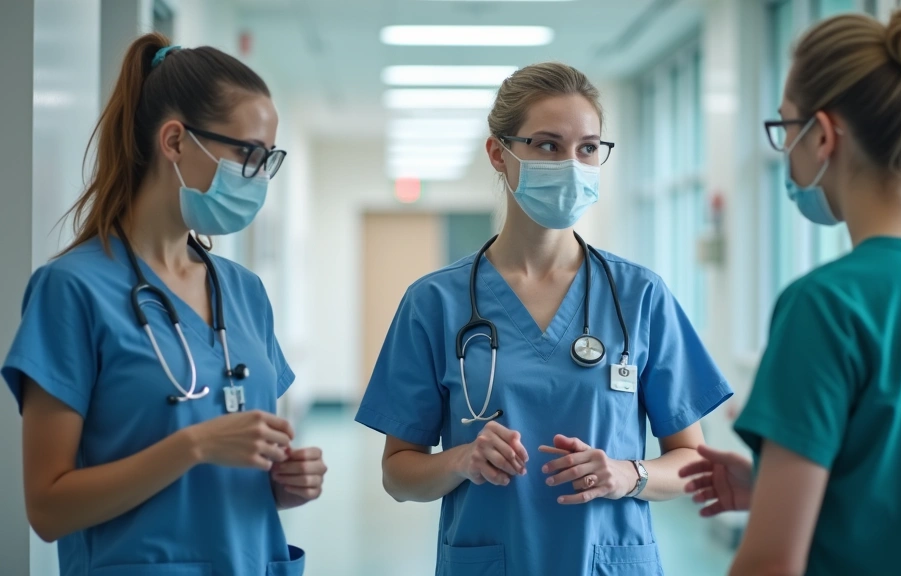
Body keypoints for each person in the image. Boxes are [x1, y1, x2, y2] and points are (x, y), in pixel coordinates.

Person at [679, 8, 901, 576]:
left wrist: (774, 517)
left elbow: (770, 565)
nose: (786, 153)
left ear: (822, 134)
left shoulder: (827, 306)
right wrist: (776, 491)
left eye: (785, 129)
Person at [355, 61, 733, 576]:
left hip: (610, 561)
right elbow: (399, 475)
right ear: (500, 153)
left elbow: (691, 460)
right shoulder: (434, 303)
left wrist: (629, 473)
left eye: (588, 147)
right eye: (548, 145)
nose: (572, 164)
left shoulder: (639, 296)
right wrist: (460, 460)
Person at [2, 33, 327, 576]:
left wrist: (284, 484)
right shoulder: (72, 290)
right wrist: (191, 447)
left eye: (268, 160)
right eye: (246, 154)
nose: (258, 178)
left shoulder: (244, 293)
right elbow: (49, 508)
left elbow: (234, 478)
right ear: (174, 141)